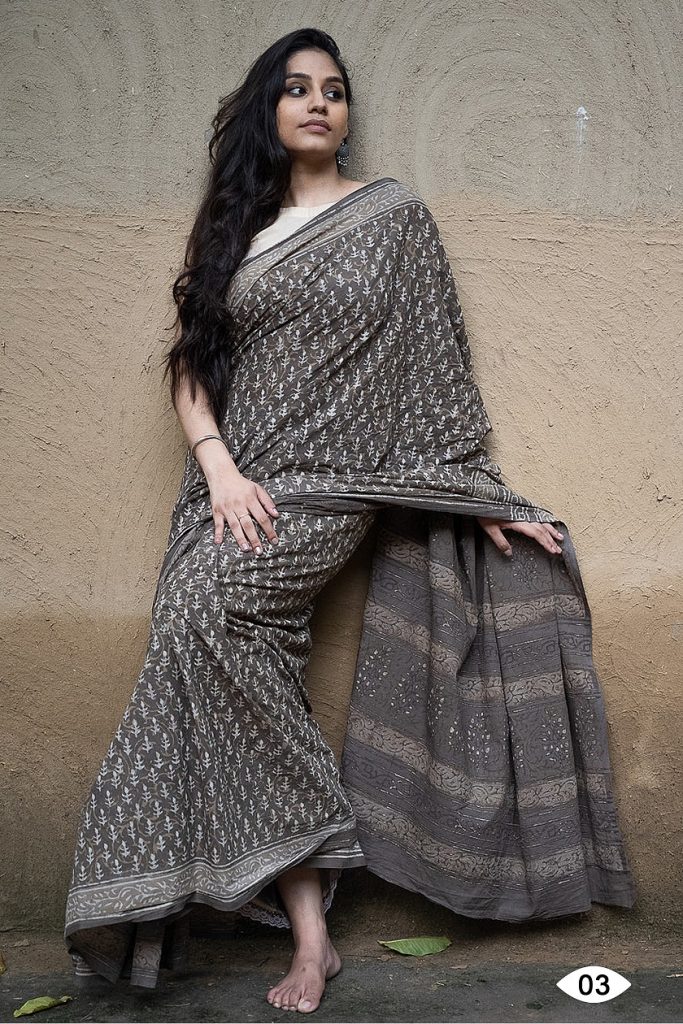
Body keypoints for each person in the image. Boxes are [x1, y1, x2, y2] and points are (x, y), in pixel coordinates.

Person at [64, 27, 635, 1014]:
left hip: (331, 489)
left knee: (205, 619)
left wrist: (473, 494)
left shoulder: (391, 217)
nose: (318, 103)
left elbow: (434, 368)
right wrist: (221, 470)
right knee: (203, 647)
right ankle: (311, 933)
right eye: (296, 89)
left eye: (333, 89)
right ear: (269, 110)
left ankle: (264, 912)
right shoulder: (234, 229)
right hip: (230, 490)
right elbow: (193, 367)